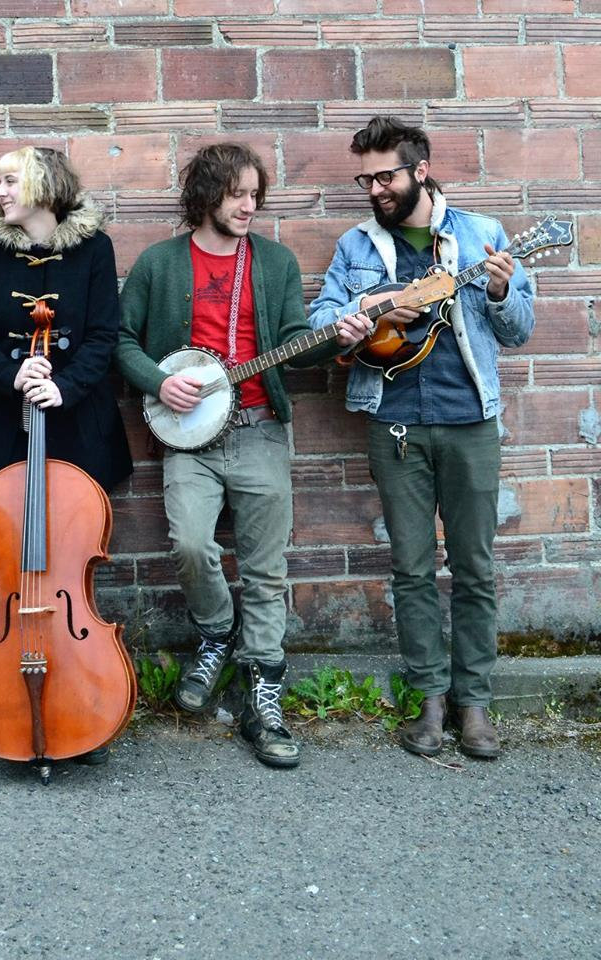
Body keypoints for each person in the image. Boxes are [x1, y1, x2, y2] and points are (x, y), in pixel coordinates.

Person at [116, 142, 370, 768]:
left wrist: (337, 339)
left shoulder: (275, 262)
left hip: (259, 429)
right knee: (190, 543)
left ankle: (263, 693)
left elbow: (295, 343)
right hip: (188, 437)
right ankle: (216, 631)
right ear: (206, 195)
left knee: (265, 568)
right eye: (237, 194)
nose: (249, 205)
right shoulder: (159, 263)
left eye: (255, 194)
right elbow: (120, 341)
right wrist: (158, 382)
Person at [308, 116, 535, 759]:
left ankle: (475, 704)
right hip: (395, 423)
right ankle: (430, 699)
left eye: (386, 176)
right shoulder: (356, 246)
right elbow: (322, 319)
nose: (376, 189)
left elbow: (519, 329)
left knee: (475, 568)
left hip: (470, 423)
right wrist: (363, 314)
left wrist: (499, 291)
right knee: (410, 569)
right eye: (367, 179)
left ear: (421, 170)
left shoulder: (482, 235)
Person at [0, 145, 132, 507]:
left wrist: (65, 386)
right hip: (2, 418)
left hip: (79, 416)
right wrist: (11, 374)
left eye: (10, 182)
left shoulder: (95, 248)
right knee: (2, 520)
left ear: (44, 186)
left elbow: (103, 335)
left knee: (77, 524)